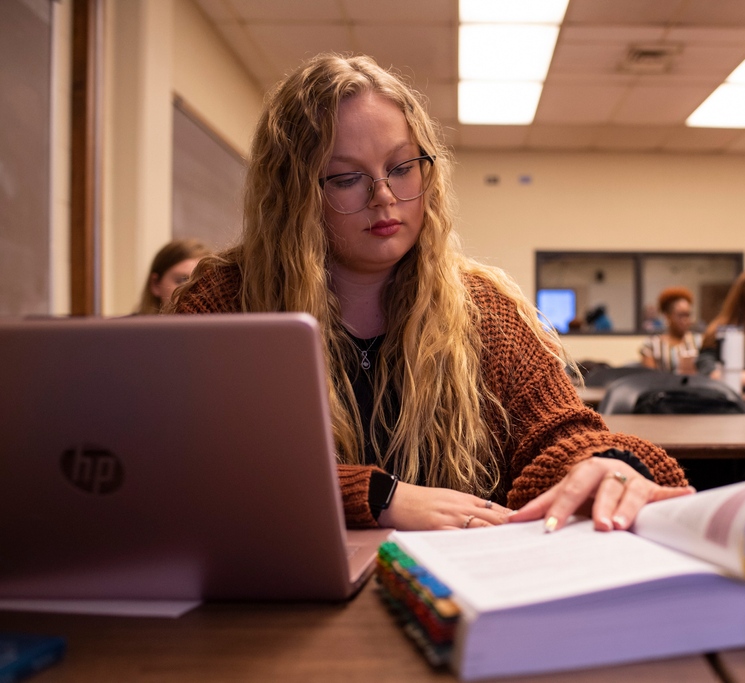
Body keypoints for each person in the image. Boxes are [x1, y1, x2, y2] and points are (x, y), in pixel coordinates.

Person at [170, 53, 692, 533]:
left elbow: (560, 434)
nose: (385, 197)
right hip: (273, 601)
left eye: (402, 168)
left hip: (454, 599)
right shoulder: (226, 304)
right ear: (292, 192)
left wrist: (607, 466)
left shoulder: (487, 311)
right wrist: (376, 496)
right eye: (347, 178)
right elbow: (188, 465)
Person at [135, 238, 211, 314]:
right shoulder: (127, 325)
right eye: (182, 280)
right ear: (156, 284)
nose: (193, 292)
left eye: (202, 281)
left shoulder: (218, 324)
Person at [639, 287, 700, 373]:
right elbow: (650, 378)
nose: (686, 320)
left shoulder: (698, 342)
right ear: (667, 316)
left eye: (688, 315)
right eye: (681, 315)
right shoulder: (652, 345)